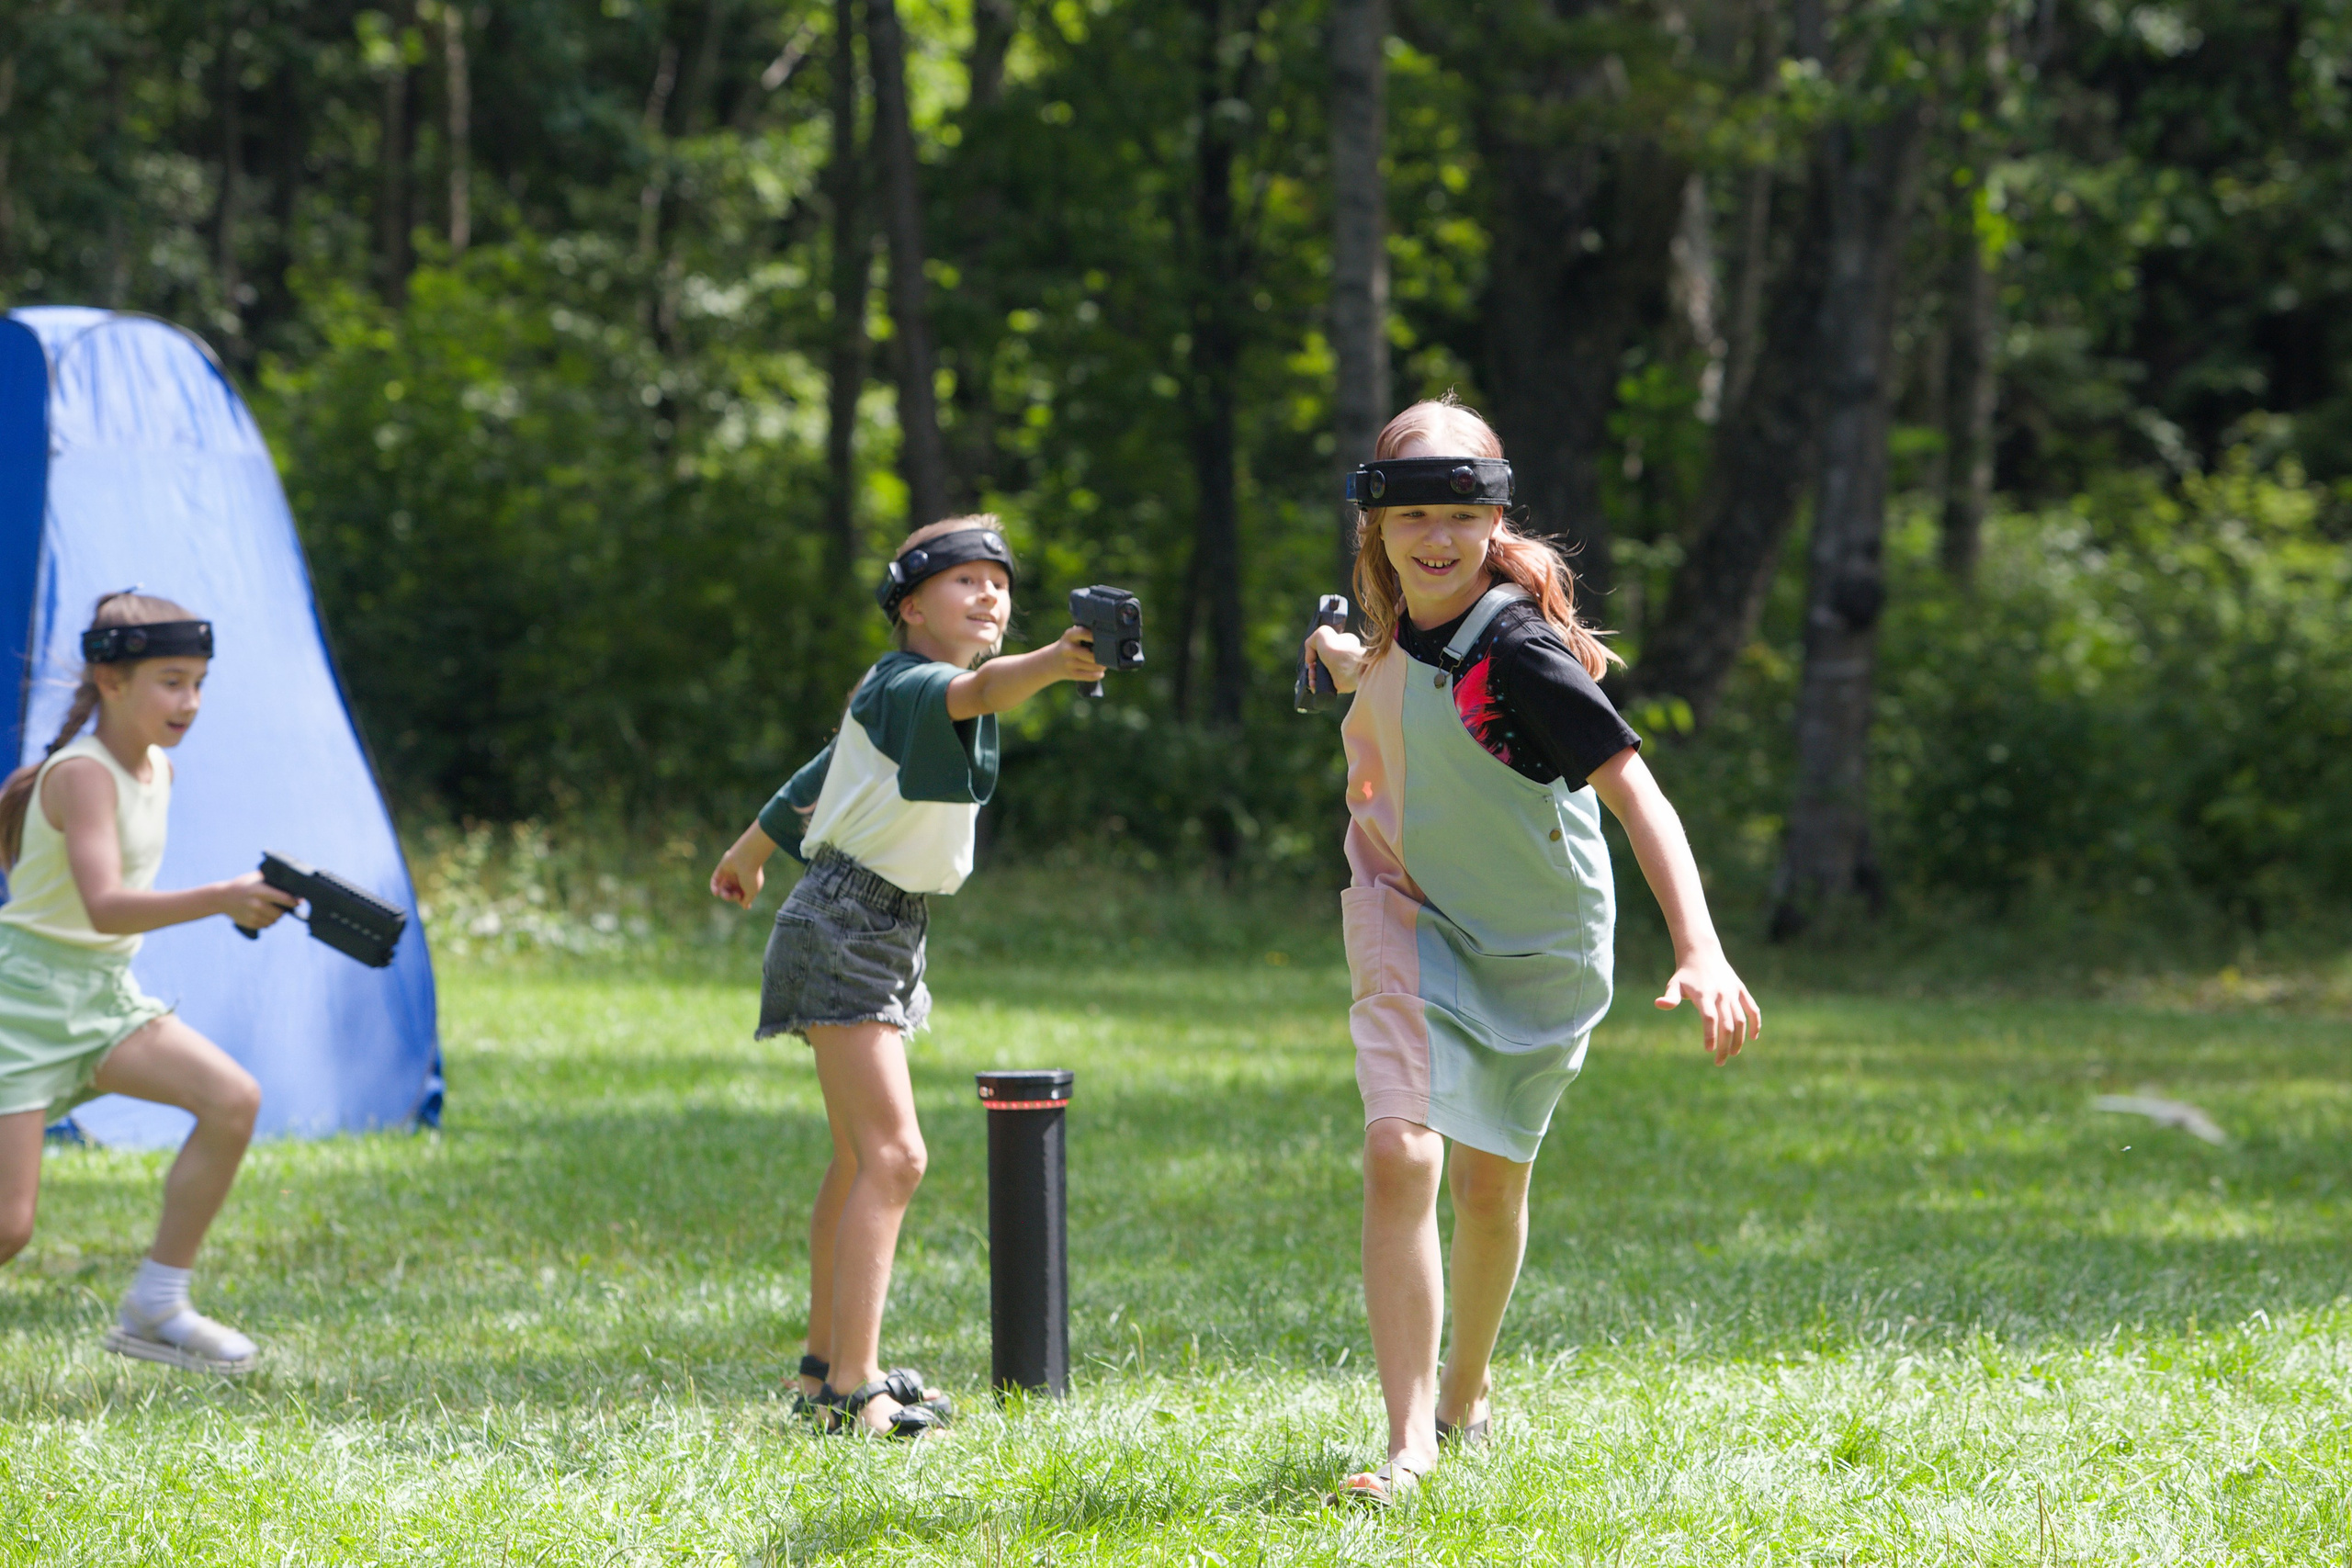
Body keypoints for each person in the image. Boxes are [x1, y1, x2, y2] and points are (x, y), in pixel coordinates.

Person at [1306, 399, 1762, 1502]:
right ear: (1375, 523)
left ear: (1492, 516)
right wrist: (1330, 657)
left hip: (1541, 949)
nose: (1435, 536)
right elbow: (1372, 670)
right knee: (1400, 1152)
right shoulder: (1389, 629)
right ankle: (1408, 1445)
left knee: (1489, 1189)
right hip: (1405, 911)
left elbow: (1635, 794)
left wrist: (1699, 948)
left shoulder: (1513, 648)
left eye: (1458, 514)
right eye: (1412, 512)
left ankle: (1466, 1394)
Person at [708, 516, 1105, 1438]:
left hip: (878, 926)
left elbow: (825, 768)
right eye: (963, 581)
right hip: (846, 922)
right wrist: (1052, 661)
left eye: (999, 583)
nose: (987, 596)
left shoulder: (899, 699)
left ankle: (820, 1371)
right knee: (896, 1157)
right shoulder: (916, 682)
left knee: (858, 1160)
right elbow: (976, 690)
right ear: (909, 606)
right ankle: (854, 1386)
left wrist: (749, 845)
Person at [0, 591, 298, 1374]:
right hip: (22, 1007)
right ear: (111, 679)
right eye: (171, 680)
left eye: (198, 681)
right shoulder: (83, 777)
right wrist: (222, 898)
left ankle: (156, 1307)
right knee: (8, 1227)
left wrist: (240, 903)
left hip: (102, 999)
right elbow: (104, 905)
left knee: (232, 1098)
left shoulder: (158, 767)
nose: (189, 702)